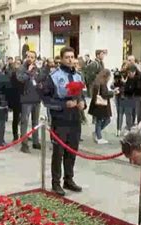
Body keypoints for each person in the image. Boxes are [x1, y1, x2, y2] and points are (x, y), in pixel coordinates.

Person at [41, 46, 86, 196]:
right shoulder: (54, 76)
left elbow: (81, 94)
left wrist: (82, 103)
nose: (70, 60)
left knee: (72, 150)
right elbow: (46, 99)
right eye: (67, 57)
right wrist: (62, 105)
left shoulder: (78, 76)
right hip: (60, 118)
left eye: (72, 57)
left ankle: (69, 179)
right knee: (58, 152)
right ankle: (55, 182)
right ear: (61, 59)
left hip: (75, 117)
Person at [17, 50, 42, 153]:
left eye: (32, 57)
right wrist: (28, 71)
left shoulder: (37, 69)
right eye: (28, 57)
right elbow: (20, 79)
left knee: (35, 122)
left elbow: (40, 79)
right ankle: (24, 144)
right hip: (26, 99)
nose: (30, 59)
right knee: (24, 122)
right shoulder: (21, 68)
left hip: (36, 99)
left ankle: (35, 141)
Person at [88, 69, 113, 144]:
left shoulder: (97, 82)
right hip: (101, 105)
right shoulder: (102, 84)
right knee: (105, 120)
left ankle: (97, 134)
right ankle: (98, 136)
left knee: (99, 120)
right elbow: (104, 95)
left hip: (96, 105)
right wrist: (112, 93)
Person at [9, 59, 23, 141]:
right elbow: (10, 88)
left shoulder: (23, 74)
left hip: (23, 98)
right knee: (16, 118)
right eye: (16, 63)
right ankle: (15, 134)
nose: (17, 65)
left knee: (23, 118)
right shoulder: (13, 74)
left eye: (19, 63)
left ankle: (23, 134)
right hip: (15, 99)